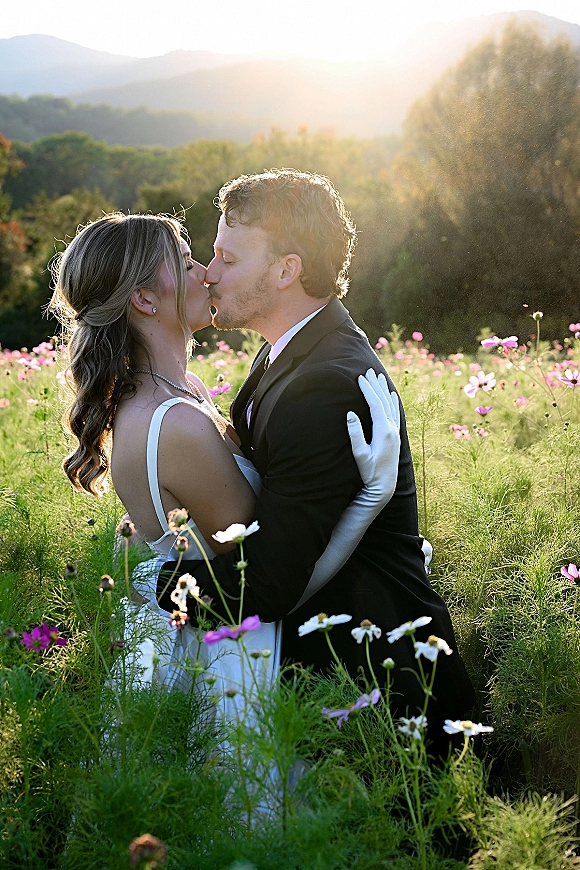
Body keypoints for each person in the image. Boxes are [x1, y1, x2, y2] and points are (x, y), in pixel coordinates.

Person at [158, 169, 475, 741]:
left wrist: (158, 581)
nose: (209, 274)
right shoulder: (294, 353)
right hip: (325, 661)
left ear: (286, 269)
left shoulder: (324, 383)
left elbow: (270, 582)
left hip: (370, 680)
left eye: (229, 259)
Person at [48, 211, 400, 722]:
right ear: (145, 300)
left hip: (231, 630)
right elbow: (268, 580)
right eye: (188, 262)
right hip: (236, 657)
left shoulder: (182, 393)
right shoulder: (173, 425)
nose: (207, 273)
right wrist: (369, 502)